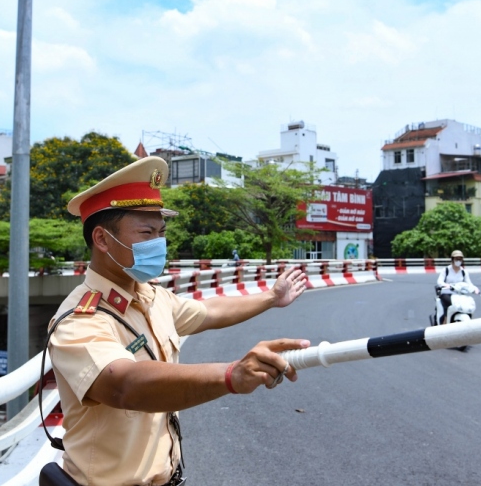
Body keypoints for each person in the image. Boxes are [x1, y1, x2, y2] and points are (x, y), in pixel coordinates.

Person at [46, 157, 310, 486]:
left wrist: (271, 297)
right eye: (146, 232)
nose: (159, 243)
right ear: (102, 240)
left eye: (161, 233)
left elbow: (209, 312)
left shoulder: (152, 297)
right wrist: (232, 375)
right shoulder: (80, 320)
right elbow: (125, 385)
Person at [436, 250, 480, 323]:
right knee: (449, 303)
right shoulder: (446, 270)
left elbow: (469, 283)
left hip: (459, 294)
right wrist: (446, 285)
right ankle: (445, 320)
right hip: (447, 293)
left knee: (467, 303)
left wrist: (475, 289)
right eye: (456, 259)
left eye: (460, 259)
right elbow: (439, 282)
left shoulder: (463, 272)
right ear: (452, 259)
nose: (458, 261)